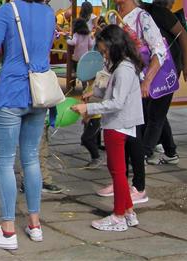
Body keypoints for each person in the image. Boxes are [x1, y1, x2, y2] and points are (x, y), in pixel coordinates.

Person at [0, 0, 55, 250]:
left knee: (4, 162)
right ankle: (35, 224)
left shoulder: (7, 12)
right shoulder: (48, 13)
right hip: (39, 93)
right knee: (31, 158)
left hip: (11, 92)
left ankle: (7, 229)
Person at [96, 0, 165, 204]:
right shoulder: (114, 19)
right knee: (118, 133)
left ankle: (139, 185)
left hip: (136, 83)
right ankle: (120, 181)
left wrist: (147, 81)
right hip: (119, 81)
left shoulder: (142, 18)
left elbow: (159, 51)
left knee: (133, 135)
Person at [72, 25, 144, 232]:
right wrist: (94, 94)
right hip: (121, 123)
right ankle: (128, 211)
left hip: (117, 124)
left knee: (118, 172)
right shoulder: (125, 66)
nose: (104, 55)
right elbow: (111, 95)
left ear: (115, 46)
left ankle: (119, 215)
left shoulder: (123, 69)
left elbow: (116, 102)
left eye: (105, 51)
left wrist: (88, 107)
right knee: (118, 171)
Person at [142, 0, 187, 165]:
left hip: (168, 69)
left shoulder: (161, 13)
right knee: (155, 109)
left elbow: (183, 35)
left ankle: (145, 152)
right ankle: (170, 152)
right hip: (156, 67)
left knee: (155, 111)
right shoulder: (149, 12)